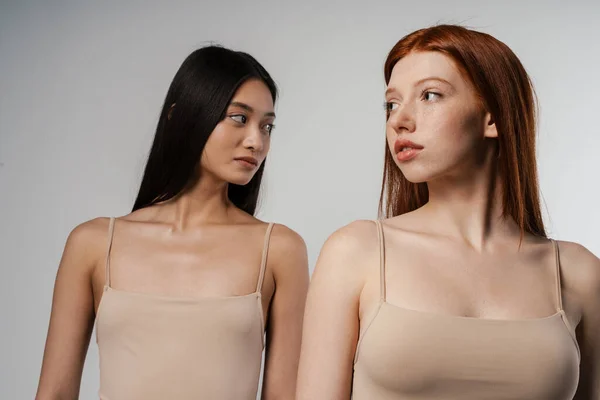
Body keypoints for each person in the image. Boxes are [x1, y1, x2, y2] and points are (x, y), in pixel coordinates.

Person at [296, 25, 599, 399]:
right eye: (391, 103)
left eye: (430, 95)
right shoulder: (356, 252)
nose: (399, 120)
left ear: (494, 118)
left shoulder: (578, 274)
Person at [36, 46, 309, 400]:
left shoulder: (279, 250)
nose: (257, 141)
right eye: (239, 118)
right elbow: (54, 393)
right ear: (181, 117)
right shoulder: (93, 244)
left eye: (267, 126)